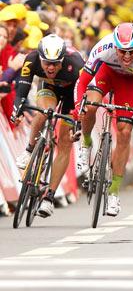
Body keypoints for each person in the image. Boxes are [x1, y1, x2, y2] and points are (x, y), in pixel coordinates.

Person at [74, 22, 133, 216]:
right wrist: (79, 104)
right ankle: (86, 144)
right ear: (115, 47)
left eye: (132, 52)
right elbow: (82, 82)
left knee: (124, 131)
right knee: (90, 106)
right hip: (106, 73)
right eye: (122, 52)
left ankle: (113, 194)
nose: (127, 57)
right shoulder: (103, 48)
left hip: (130, 83)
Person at [11, 35, 84, 218]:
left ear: (62, 60)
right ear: (40, 58)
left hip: (72, 94)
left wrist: (78, 123)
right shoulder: (32, 59)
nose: (50, 68)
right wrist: (17, 109)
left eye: (55, 63)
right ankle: (29, 150)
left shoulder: (75, 65)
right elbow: (23, 87)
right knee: (44, 111)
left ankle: (49, 197)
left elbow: (83, 98)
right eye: (46, 63)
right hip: (49, 89)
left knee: (65, 143)